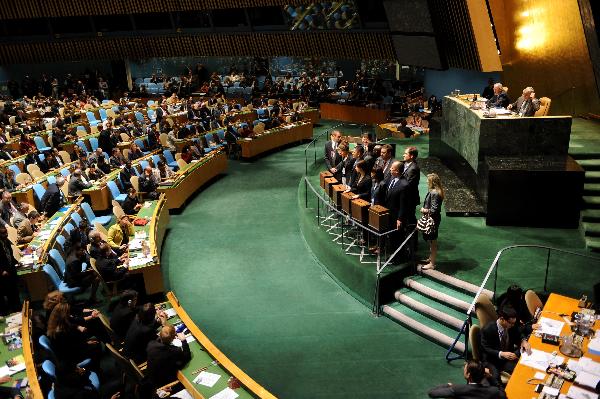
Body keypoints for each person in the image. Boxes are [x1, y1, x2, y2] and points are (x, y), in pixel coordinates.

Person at [481, 306, 531, 376]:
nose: (513, 325)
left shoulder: (510, 325)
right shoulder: (488, 329)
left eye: (514, 323)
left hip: (510, 355)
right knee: (521, 371)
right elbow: (485, 348)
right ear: (502, 319)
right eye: (511, 323)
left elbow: (518, 333)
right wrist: (501, 354)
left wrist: (523, 341)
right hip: (494, 360)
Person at [146, 324, 192, 389]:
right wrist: (183, 341)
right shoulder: (174, 351)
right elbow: (187, 357)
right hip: (163, 384)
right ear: (173, 338)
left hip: (151, 378)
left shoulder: (151, 344)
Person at [428, 360, 505, 399]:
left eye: (464, 369)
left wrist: (447, 385)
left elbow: (432, 393)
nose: (463, 369)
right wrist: (491, 377)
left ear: (468, 374)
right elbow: (503, 395)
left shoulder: (458, 389)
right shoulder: (493, 391)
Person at [420, 173, 444, 270]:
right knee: (431, 241)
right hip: (433, 219)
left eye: (428, 180)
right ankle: (430, 258)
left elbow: (434, 209)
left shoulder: (435, 193)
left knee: (433, 241)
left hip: (433, 220)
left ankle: (432, 263)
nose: (426, 181)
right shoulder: (435, 191)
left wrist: (424, 210)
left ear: (432, 182)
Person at [0, 226, 21, 315]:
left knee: (15, 291)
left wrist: (17, 262)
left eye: (6, 232)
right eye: (3, 233)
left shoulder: (6, 241)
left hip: (11, 269)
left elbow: (10, 256)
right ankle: (11, 312)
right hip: (3, 274)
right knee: (8, 293)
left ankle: (18, 309)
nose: (6, 234)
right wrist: (1, 271)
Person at [401, 146, 420, 226]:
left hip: (410, 198)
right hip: (405, 197)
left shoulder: (413, 168)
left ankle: (413, 236)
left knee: (410, 218)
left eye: (405, 153)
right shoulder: (405, 164)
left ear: (411, 156)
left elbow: (408, 184)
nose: (403, 155)